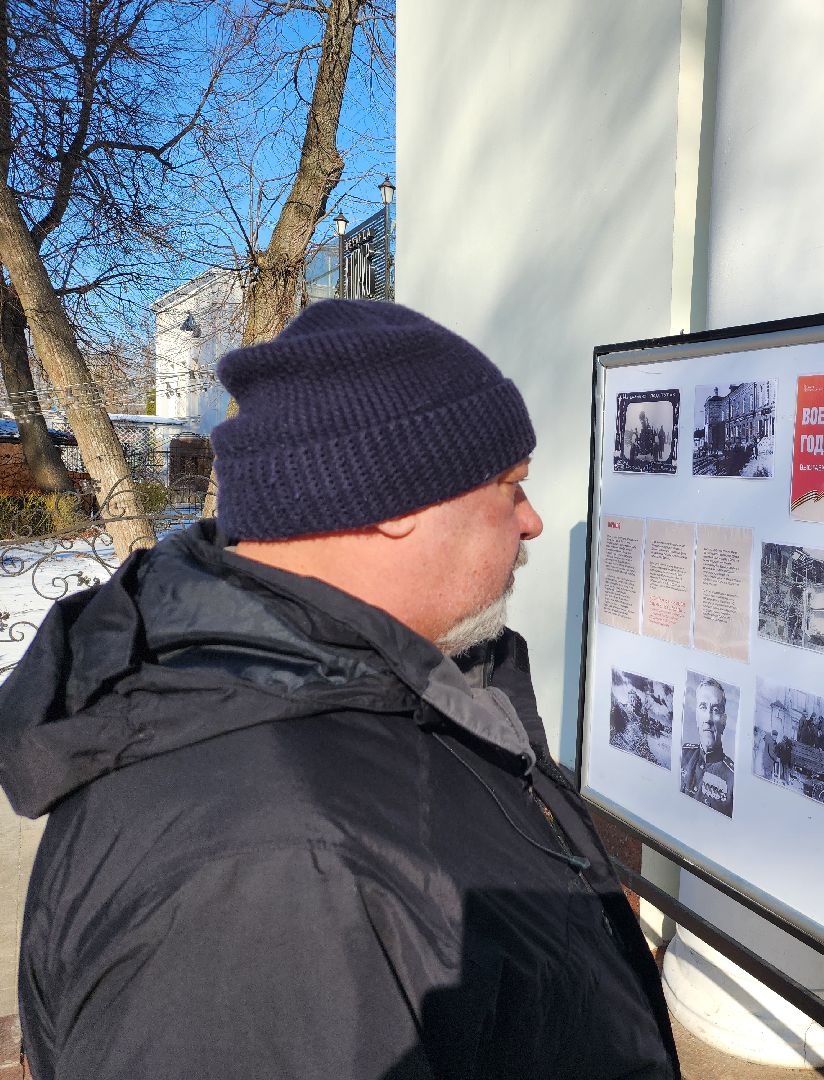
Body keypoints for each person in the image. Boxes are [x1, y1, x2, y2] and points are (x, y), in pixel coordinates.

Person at [0, 301, 679, 1080]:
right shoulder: (262, 870)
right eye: (509, 485)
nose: (532, 521)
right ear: (396, 505)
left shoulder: (379, 686)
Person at [679, 677, 735, 817]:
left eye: (715, 710)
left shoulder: (733, 778)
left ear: (724, 721)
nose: (708, 718)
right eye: (703, 707)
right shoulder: (681, 754)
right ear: (697, 715)